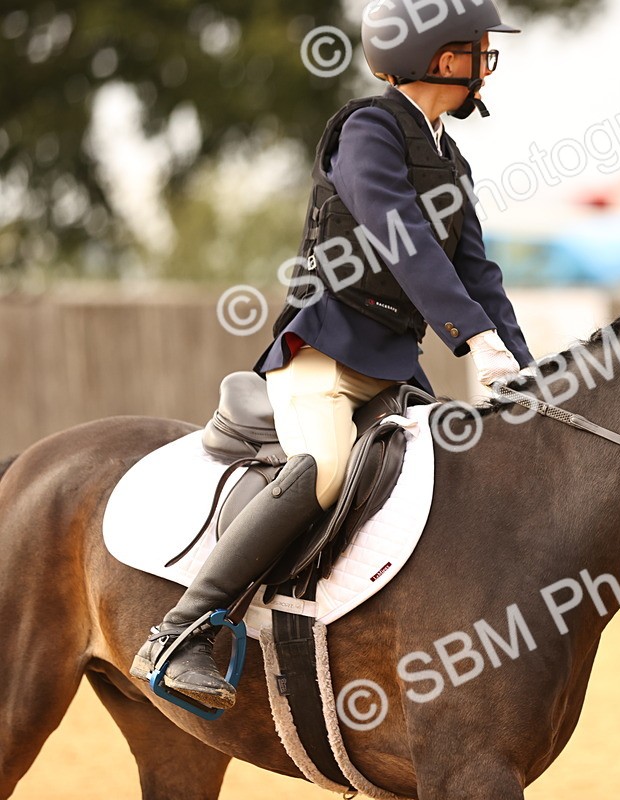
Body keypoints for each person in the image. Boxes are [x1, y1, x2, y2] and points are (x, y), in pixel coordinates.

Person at [130, 0, 533, 710]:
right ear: (441, 59)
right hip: (323, 354)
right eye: (476, 48)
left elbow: (479, 273)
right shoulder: (368, 132)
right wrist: (470, 336)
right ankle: (181, 629)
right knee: (326, 469)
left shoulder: (450, 155)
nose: (486, 61)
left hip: (394, 372)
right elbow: (397, 232)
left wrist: (524, 367)